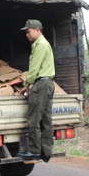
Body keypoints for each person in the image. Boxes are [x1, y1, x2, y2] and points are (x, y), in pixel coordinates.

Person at [17, 19, 55, 163]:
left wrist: (27, 84)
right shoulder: (45, 44)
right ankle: (46, 151)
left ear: (37, 30)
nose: (27, 35)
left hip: (41, 84)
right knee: (46, 119)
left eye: (28, 31)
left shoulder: (39, 45)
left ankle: (34, 150)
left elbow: (34, 68)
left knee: (33, 119)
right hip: (48, 83)